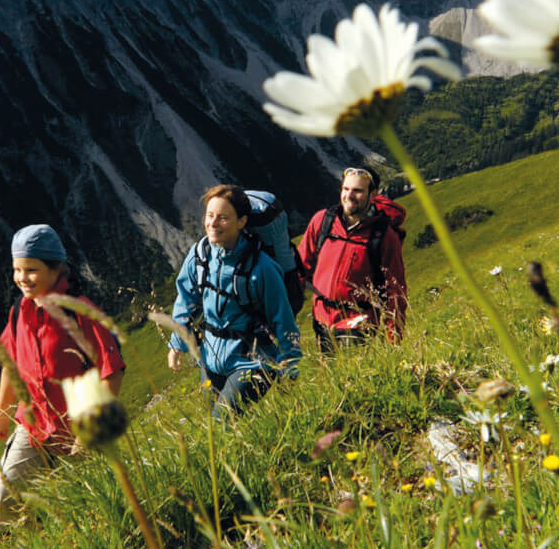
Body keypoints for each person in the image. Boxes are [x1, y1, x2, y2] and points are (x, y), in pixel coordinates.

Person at [0, 224, 125, 531]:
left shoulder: (80, 313)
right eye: (17, 270)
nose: (22, 278)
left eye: (31, 269)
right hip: (33, 427)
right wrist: (0, 415)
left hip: (78, 431)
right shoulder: (19, 312)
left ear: (56, 268)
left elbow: (111, 372)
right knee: (5, 493)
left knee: (83, 509)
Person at [166, 185, 301, 417]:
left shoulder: (262, 268)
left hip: (254, 362)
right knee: (216, 429)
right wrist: (177, 342)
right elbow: (186, 299)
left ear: (241, 222)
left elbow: (283, 318)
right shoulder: (199, 255)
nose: (212, 223)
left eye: (223, 218)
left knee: (222, 421)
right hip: (211, 359)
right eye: (209, 215)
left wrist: (290, 364)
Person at [299, 165, 408, 353]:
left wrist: (393, 341)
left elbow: (395, 291)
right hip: (321, 320)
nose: (348, 196)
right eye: (345, 189)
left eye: (357, 191)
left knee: (348, 377)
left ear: (373, 194)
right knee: (329, 379)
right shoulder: (323, 221)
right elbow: (300, 266)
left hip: (358, 324)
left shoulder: (383, 236)